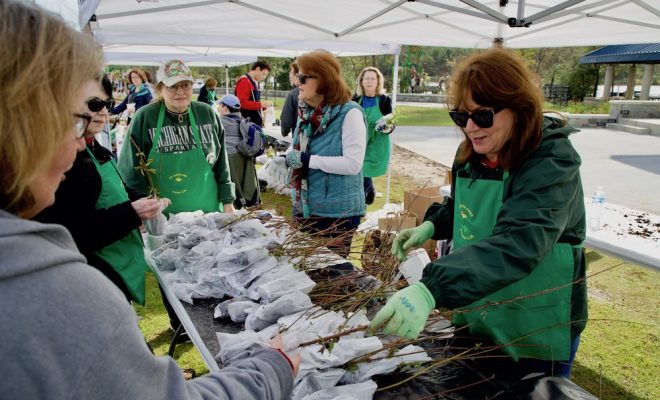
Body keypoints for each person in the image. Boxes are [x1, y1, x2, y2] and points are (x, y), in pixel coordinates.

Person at [0, 1, 297, 398]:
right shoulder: (60, 294)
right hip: (169, 222)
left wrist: (226, 203)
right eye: (70, 121)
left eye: (186, 85)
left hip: (205, 217)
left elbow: (220, 165)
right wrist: (272, 368)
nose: (75, 148)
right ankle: (179, 325)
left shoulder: (206, 115)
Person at [368, 48, 587, 379]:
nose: (470, 127)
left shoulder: (551, 158)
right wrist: (432, 224)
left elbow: (521, 240)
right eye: (461, 117)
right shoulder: (471, 154)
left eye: (482, 115)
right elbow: (462, 204)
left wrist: (432, 289)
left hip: (534, 321)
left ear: (519, 106)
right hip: (477, 309)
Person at [34, 74, 166, 305]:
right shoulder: (67, 163)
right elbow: (72, 230)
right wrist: (131, 213)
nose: (104, 112)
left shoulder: (96, 148)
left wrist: (145, 201)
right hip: (97, 271)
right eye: (95, 104)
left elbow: (118, 189)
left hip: (118, 263)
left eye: (107, 104)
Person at [271, 50, 367, 258]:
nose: (298, 82)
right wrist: (284, 158)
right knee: (301, 270)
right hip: (305, 207)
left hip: (336, 214)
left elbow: (353, 164)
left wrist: (306, 161)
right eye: (298, 76)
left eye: (303, 77)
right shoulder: (306, 112)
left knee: (330, 276)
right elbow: (300, 145)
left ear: (324, 79)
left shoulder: (350, 113)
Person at [118, 59, 236, 215]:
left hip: (207, 213)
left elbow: (222, 162)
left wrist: (228, 200)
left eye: (186, 85)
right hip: (162, 216)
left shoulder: (206, 113)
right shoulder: (145, 117)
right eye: (172, 86)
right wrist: (141, 209)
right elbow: (131, 170)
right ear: (160, 89)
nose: (180, 92)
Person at [352, 66, 393, 205]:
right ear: (361, 81)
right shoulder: (355, 100)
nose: (369, 81)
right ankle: (365, 197)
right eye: (366, 78)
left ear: (378, 82)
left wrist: (386, 126)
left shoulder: (384, 100)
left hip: (376, 145)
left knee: (363, 171)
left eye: (372, 78)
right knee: (357, 170)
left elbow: (392, 124)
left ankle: (367, 196)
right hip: (359, 143)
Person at [218, 94, 261, 209]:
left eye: (220, 106)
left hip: (229, 160)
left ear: (225, 108)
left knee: (233, 194)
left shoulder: (219, 122)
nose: (218, 108)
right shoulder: (244, 123)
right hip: (245, 159)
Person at [235, 60, 272, 127]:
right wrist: (260, 104)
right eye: (263, 74)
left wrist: (263, 106)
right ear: (257, 69)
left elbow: (253, 101)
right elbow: (242, 103)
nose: (263, 77)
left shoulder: (252, 82)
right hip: (247, 125)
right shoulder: (244, 81)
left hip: (252, 124)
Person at [280, 61, 300, 137]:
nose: (289, 76)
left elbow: (285, 124)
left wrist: (284, 131)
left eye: (291, 73)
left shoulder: (293, 94)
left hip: (299, 140)